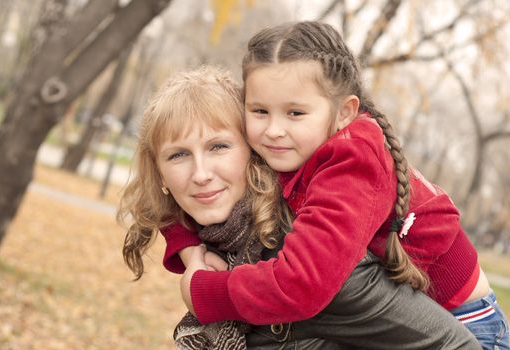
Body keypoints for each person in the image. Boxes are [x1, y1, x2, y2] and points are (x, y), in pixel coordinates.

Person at [175, 22, 509, 350]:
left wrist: (206, 292)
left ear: (344, 112)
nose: (274, 129)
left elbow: (302, 283)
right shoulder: (289, 147)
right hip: (391, 320)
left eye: (295, 113)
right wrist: (191, 250)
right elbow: (185, 189)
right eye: (260, 110)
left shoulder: (354, 160)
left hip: (465, 323)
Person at [118, 66, 480, 349]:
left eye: (219, 147)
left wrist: (201, 290)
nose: (200, 174)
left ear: (253, 151)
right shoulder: (226, 231)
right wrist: (186, 249)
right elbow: (165, 205)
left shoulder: (312, 253)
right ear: (160, 173)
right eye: (179, 155)